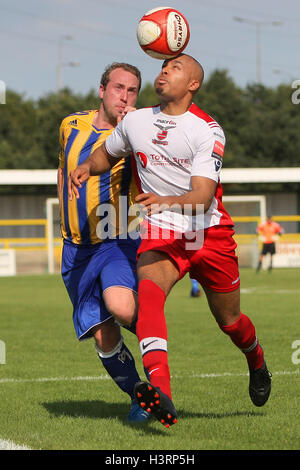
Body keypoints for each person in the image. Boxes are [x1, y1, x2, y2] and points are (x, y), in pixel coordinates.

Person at [68, 54, 272, 428]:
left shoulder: (207, 130)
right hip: (162, 231)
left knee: (229, 321)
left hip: (206, 232)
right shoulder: (137, 121)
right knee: (148, 297)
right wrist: (85, 166)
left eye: (174, 69)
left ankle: (256, 359)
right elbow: (106, 152)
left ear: (192, 84)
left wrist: (164, 200)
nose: (163, 73)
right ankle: (161, 394)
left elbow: (204, 197)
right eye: (162, 68)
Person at [57, 62, 150, 422]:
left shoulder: (136, 134)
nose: (124, 97)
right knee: (102, 334)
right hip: (74, 248)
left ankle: (153, 330)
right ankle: (140, 397)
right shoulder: (70, 125)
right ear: (101, 90)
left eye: (131, 91)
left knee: (123, 307)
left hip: (116, 237)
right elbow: (65, 170)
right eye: (118, 88)